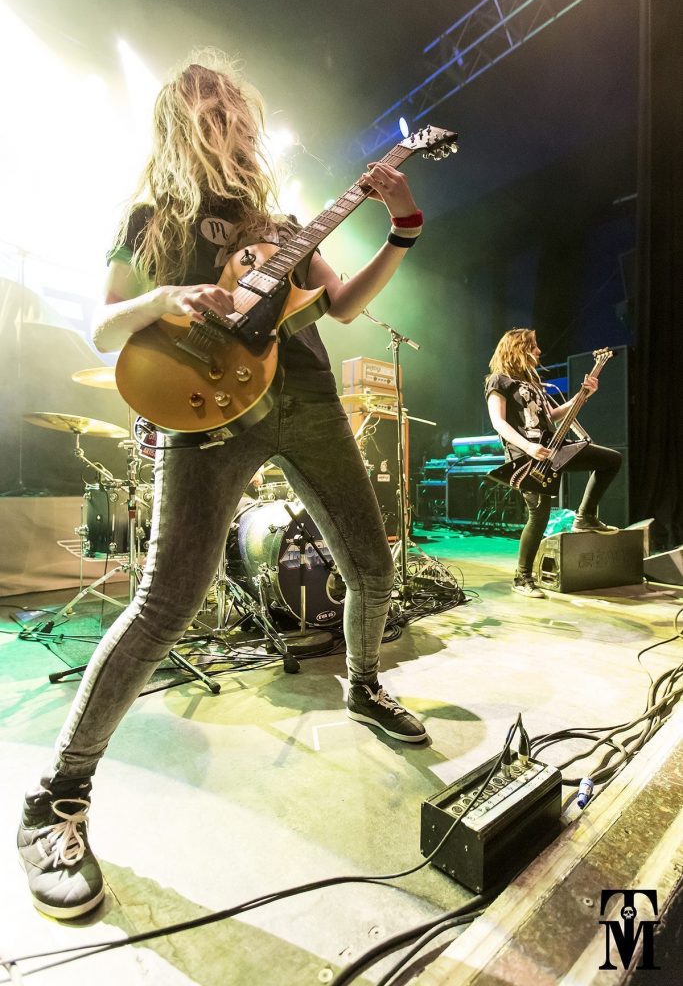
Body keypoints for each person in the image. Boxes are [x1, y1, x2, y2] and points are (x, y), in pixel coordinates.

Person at [18, 57, 428, 920]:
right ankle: (54, 801)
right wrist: (166, 296)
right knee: (164, 602)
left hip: (307, 400)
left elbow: (341, 306)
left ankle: (361, 683)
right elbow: (105, 324)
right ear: (178, 120)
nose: (229, 119)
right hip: (203, 408)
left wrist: (401, 229)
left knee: (372, 566)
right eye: (210, 107)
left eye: (237, 107)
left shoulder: (284, 224)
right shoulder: (148, 219)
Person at [485, 328, 622, 598]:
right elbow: (498, 422)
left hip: (552, 447)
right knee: (539, 515)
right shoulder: (498, 380)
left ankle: (585, 517)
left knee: (611, 460)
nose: (538, 351)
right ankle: (522, 577)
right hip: (526, 457)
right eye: (533, 346)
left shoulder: (532, 382)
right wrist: (528, 446)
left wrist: (582, 396)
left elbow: (552, 416)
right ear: (518, 348)